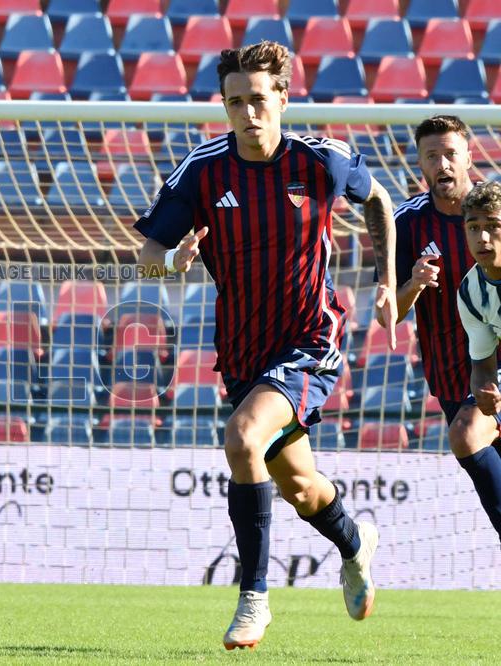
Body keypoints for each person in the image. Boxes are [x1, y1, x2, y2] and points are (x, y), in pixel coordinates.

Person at [133, 41, 397, 650]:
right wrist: (173, 262)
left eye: (258, 99)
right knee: (301, 488)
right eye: (235, 103)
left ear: (282, 97)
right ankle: (355, 543)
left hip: (310, 338)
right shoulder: (202, 170)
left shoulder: (321, 159)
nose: (248, 113)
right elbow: (146, 258)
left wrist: (385, 279)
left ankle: (253, 598)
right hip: (243, 352)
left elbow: (379, 199)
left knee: (243, 437)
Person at [378, 115, 501, 542]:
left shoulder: (494, 211)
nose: (442, 164)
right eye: (432, 156)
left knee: (466, 435)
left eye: (450, 153)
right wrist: (412, 284)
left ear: (469, 156)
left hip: (494, 367)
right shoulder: (405, 223)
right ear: (420, 163)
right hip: (452, 375)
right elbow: (388, 316)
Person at [453, 180, 501, 540]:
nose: (482, 238)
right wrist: (485, 390)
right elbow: (483, 363)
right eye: (474, 227)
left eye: (493, 226)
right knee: (466, 432)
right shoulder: (471, 291)